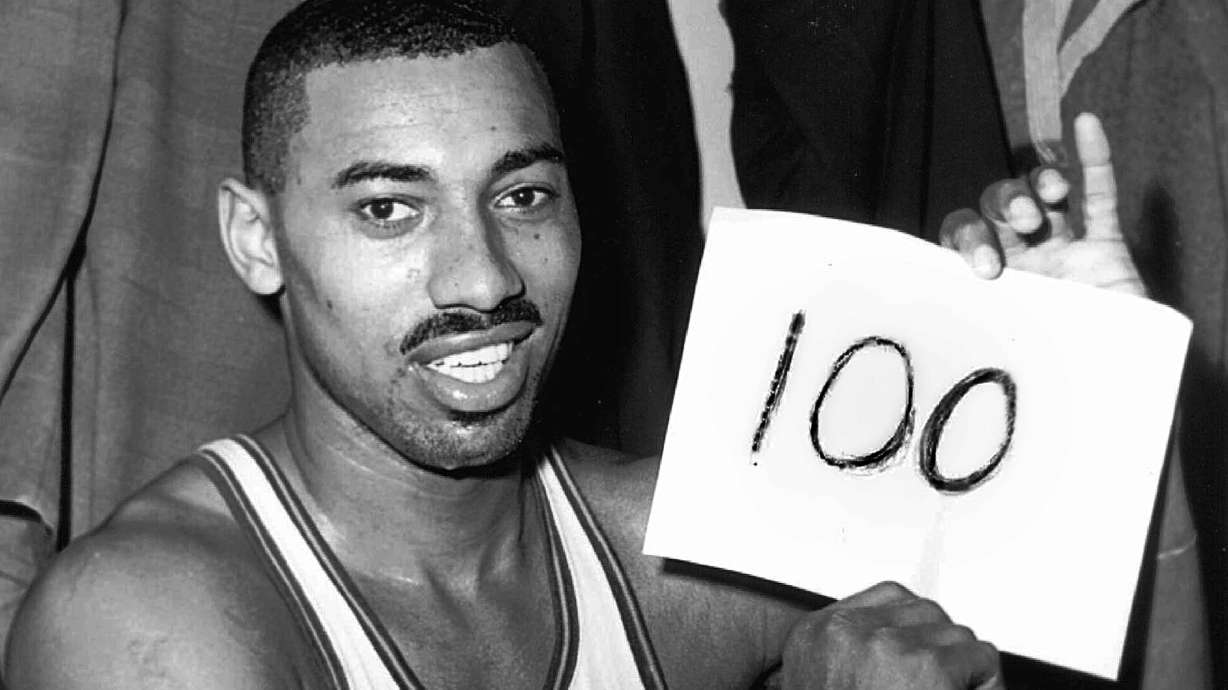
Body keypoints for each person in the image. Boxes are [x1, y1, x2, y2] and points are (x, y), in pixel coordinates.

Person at [1, 1, 1144, 687]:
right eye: (389, 209)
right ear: (256, 238)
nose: (484, 278)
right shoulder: (153, 619)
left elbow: (1098, 605)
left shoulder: (678, 544)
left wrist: (1064, 368)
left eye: (525, 197)